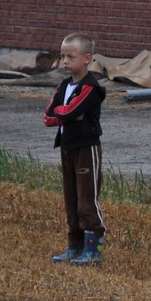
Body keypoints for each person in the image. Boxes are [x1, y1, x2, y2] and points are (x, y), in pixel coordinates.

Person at [45, 32, 107, 264]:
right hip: (67, 147)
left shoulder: (91, 88)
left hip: (86, 148)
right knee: (70, 200)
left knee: (86, 199)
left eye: (71, 56)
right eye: (63, 56)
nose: (65, 61)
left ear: (86, 58)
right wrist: (67, 115)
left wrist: (66, 113)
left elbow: (69, 110)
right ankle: (74, 245)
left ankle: (93, 248)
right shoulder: (64, 86)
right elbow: (48, 116)